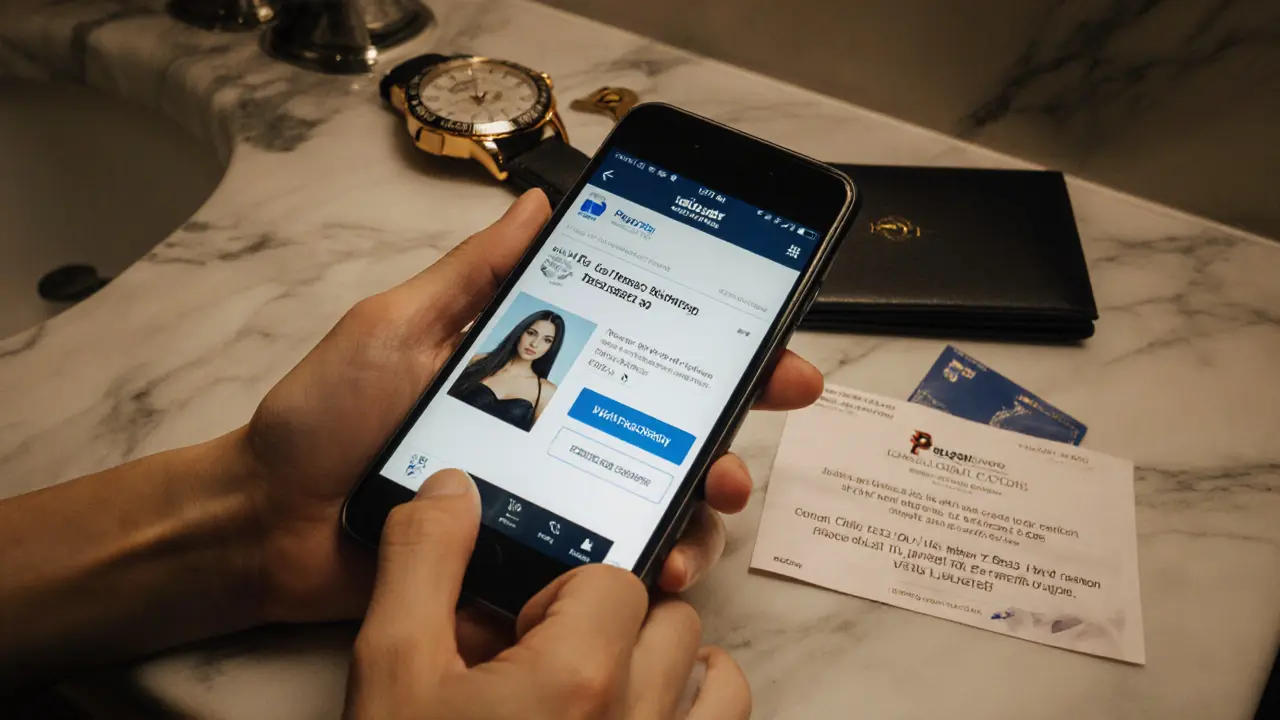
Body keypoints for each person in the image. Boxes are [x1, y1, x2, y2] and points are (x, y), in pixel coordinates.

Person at [0, 190, 826, 717]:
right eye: (532, 325)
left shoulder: (541, 396)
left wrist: (258, 519)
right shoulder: (482, 372)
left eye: (549, 331)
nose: (539, 332)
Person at [449, 308, 565, 430]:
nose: (534, 344)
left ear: (552, 347)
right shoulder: (476, 361)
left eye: (547, 340)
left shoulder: (546, 392)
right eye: (531, 333)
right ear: (520, 332)